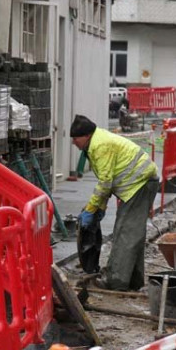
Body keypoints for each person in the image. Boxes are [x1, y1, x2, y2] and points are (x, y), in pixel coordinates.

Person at [70, 114, 159, 291]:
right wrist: (100, 207)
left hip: (139, 184)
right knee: (132, 232)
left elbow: (105, 182)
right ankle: (133, 279)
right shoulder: (96, 141)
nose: (74, 142)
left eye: (75, 138)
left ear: (86, 135)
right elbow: (108, 179)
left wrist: (91, 208)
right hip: (138, 184)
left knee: (125, 232)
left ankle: (116, 280)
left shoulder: (99, 145)